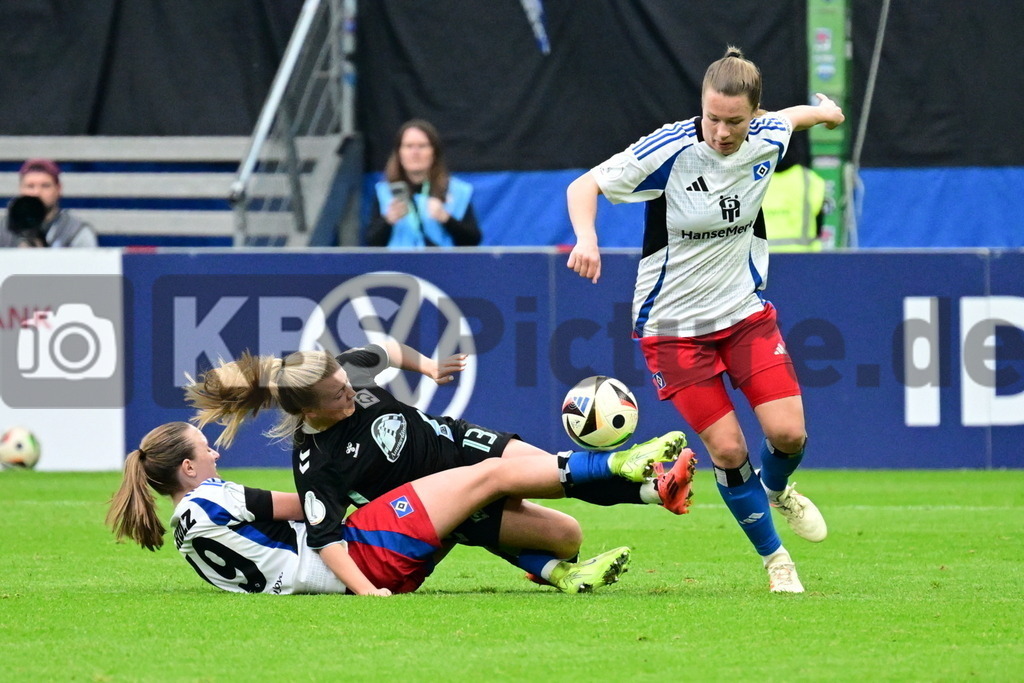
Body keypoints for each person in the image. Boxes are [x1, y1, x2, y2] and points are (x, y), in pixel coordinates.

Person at [565, 46, 845, 593]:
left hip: (743, 315)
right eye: (712, 117)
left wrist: (828, 112)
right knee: (729, 450)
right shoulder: (669, 149)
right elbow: (584, 186)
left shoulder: (767, 136)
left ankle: (779, 490)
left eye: (734, 121)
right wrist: (587, 238)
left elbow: (794, 117)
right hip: (671, 331)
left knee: (789, 435)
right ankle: (776, 561)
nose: (720, 130)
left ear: (753, 116)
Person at [184, 339, 696, 588]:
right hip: (437, 496)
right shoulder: (316, 462)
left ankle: (643, 478)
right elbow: (326, 538)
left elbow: (384, 348)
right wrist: (367, 593)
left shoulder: (343, 373)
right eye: (339, 396)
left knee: (541, 470)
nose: (350, 393)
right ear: (312, 412)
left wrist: (426, 365)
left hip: (457, 441)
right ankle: (616, 511)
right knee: (567, 535)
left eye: (347, 383)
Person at [107, 421, 639, 595]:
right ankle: (619, 467)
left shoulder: (184, 529)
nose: (215, 453)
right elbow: (310, 506)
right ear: (188, 470)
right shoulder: (214, 496)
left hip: (344, 571)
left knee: (463, 506)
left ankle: (557, 571)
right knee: (489, 473)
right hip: (361, 556)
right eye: (206, 449)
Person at [365, 119, 482, 247]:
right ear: (399, 153)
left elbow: (473, 241)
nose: (415, 153)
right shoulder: (385, 192)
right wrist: (388, 221)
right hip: (398, 265)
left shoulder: (457, 191)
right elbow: (371, 243)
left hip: (443, 265)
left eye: (422, 146)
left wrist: (446, 219)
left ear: (434, 152)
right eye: (408, 146)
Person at [0, 159, 98, 248]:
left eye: (45, 186)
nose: (37, 193)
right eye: (30, 186)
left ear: (58, 189)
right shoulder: (3, 230)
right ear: (21, 189)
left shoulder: (75, 231)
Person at [761, 158, 827, 252]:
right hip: (804, 258)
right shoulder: (809, 179)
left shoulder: (752, 177)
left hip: (759, 259)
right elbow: (819, 225)